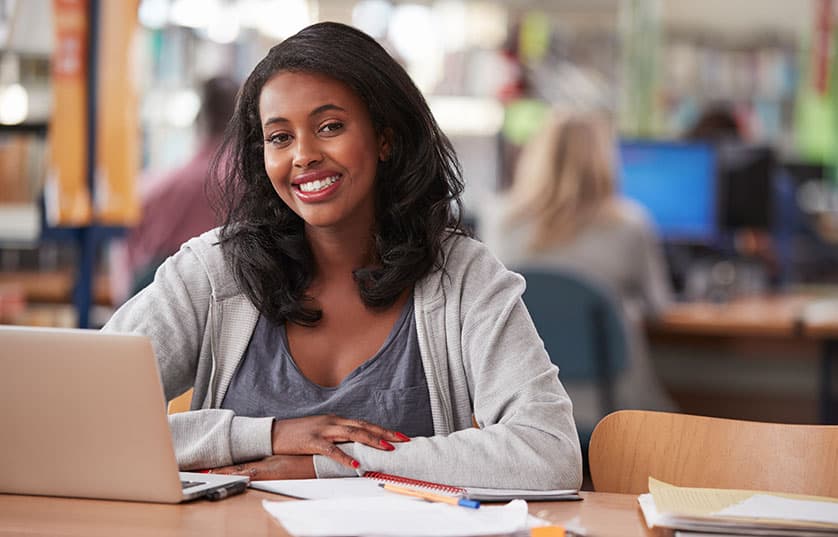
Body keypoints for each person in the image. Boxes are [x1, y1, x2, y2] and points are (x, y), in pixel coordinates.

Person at [103, 22, 581, 489]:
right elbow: (80, 416)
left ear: (386, 139)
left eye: (329, 126)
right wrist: (264, 435)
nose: (303, 155)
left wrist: (330, 464)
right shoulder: (212, 272)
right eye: (280, 137)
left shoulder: (462, 276)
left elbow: (548, 451)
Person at [479, 108, 677, 431]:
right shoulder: (630, 226)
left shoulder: (500, 222)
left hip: (521, 410)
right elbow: (660, 308)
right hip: (612, 412)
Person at [109, 76, 240, 305]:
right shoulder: (255, 184)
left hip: (159, 292)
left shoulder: (159, 187)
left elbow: (126, 264)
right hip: (233, 293)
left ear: (200, 119)